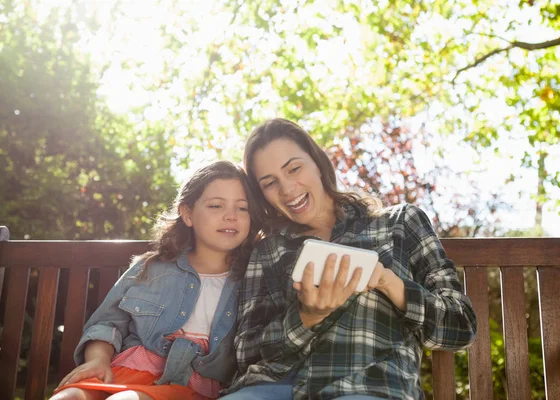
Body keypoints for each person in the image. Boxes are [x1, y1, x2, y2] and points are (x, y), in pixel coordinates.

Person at [220, 118, 477, 400]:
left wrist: (390, 283)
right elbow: (247, 351)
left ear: (317, 162)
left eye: (294, 169)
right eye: (270, 183)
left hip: (366, 386)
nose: (287, 189)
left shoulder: (400, 223)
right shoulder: (268, 250)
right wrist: (307, 317)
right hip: (276, 388)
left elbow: (461, 326)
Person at [51, 161, 259, 400]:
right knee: (68, 398)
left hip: (189, 388)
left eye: (242, 208)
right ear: (188, 213)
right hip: (124, 372)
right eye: (216, 205)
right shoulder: (152, 267)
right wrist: (98, 360)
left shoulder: (253, 279)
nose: (231, 216)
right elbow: (108, 324)